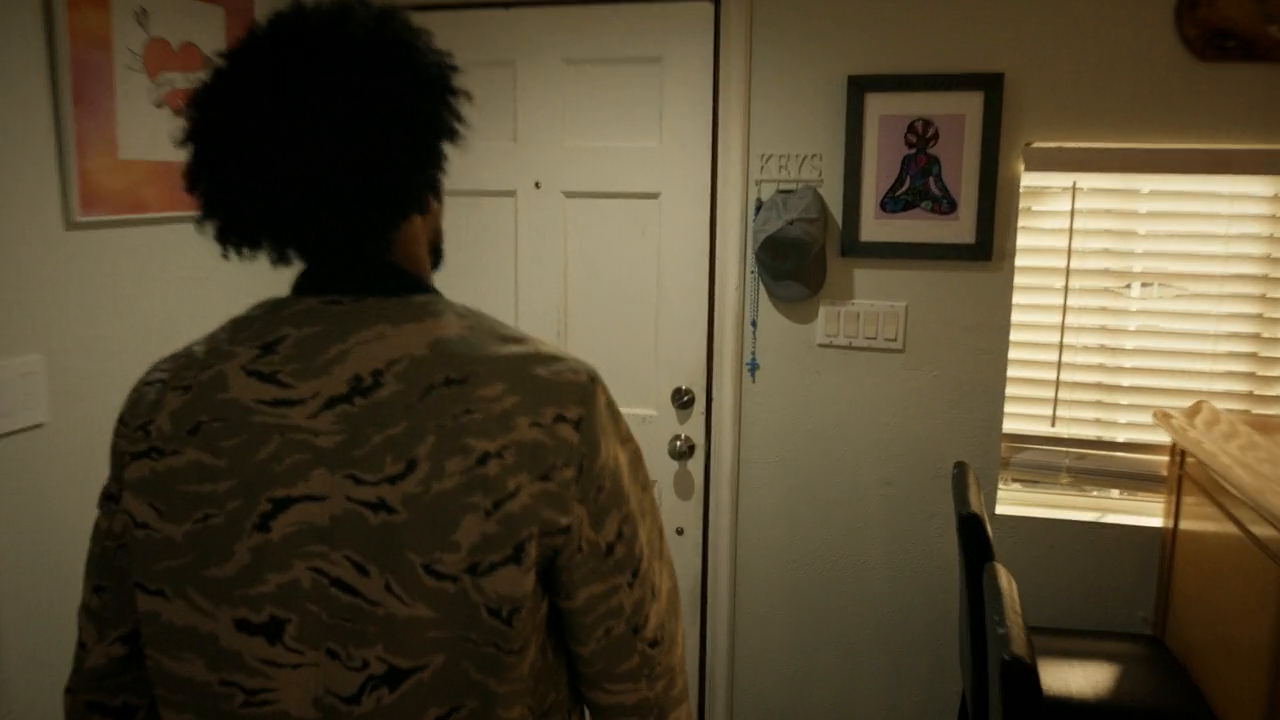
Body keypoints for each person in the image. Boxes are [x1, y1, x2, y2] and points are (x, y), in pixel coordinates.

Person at [63, 2, 689, 718]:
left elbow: (105, 692)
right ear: (426, 186)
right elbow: (643, 689)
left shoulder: (165, 405)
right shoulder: (551, 405)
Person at [878, 117, 958, 217]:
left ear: (929, 141)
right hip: (909, 196)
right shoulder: (908, 159)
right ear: (913, 140)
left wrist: (949, 198)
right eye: (918, 140)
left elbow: (938, 183)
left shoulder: (933, 160)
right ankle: (919, 204)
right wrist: (888, 195)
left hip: (927, 195)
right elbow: (900, 181)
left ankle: (921, 203)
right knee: (886, 205)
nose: (921, 143)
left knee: (949, 206)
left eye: (924, 140)